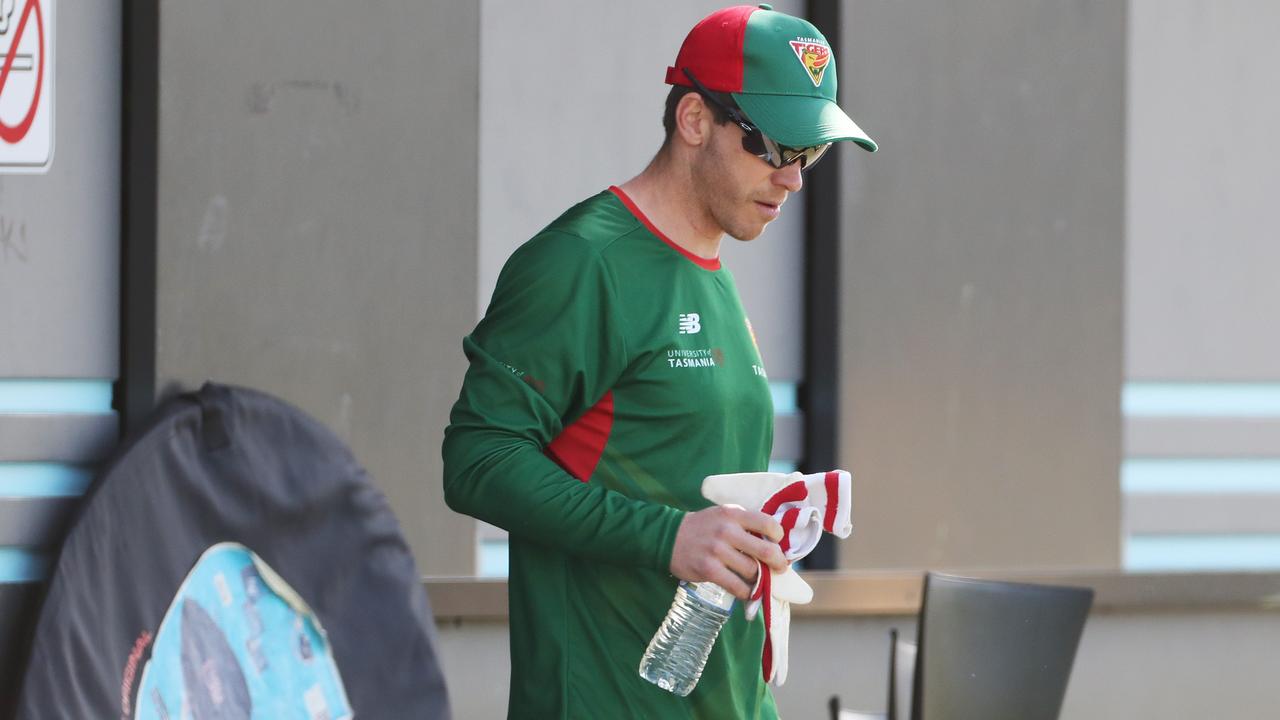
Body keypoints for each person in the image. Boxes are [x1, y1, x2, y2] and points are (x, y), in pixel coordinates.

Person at [442, 4, 876, 718]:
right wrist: (669, 537)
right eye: (773, 147)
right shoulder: (583, 261)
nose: (793, 180)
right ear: (695, 121)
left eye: (812, 154)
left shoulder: (711, 270)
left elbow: (686, 484)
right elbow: (477, 459)